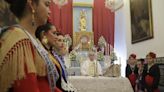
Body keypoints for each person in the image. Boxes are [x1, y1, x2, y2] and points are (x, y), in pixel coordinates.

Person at [0, 0, 61, 92]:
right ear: (32, 4)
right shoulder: (19, 40)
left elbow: (47, 84)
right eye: (47, 5)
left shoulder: (32, 39)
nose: (50, 11)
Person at [36, 23, 76, 92]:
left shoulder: (49, 53)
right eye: (54, 33)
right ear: (43, 35)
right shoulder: (41, 53)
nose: (56, 37)